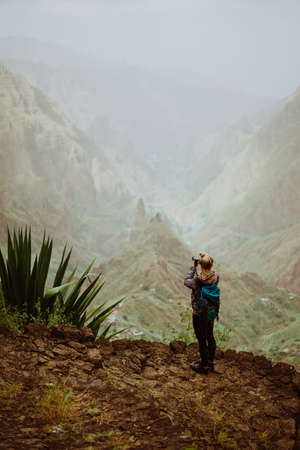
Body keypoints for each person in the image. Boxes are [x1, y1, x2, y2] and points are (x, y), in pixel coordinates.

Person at [184, 252, 220, 374]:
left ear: (201, 265)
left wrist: (193, 267)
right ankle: (210, 361)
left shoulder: (197, 281)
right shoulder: (216, 277)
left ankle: (203, 366)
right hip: (211, 311)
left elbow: (186, 281)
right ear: (211, 264)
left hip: (199, 313)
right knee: (210, 336)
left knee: (201, 339)